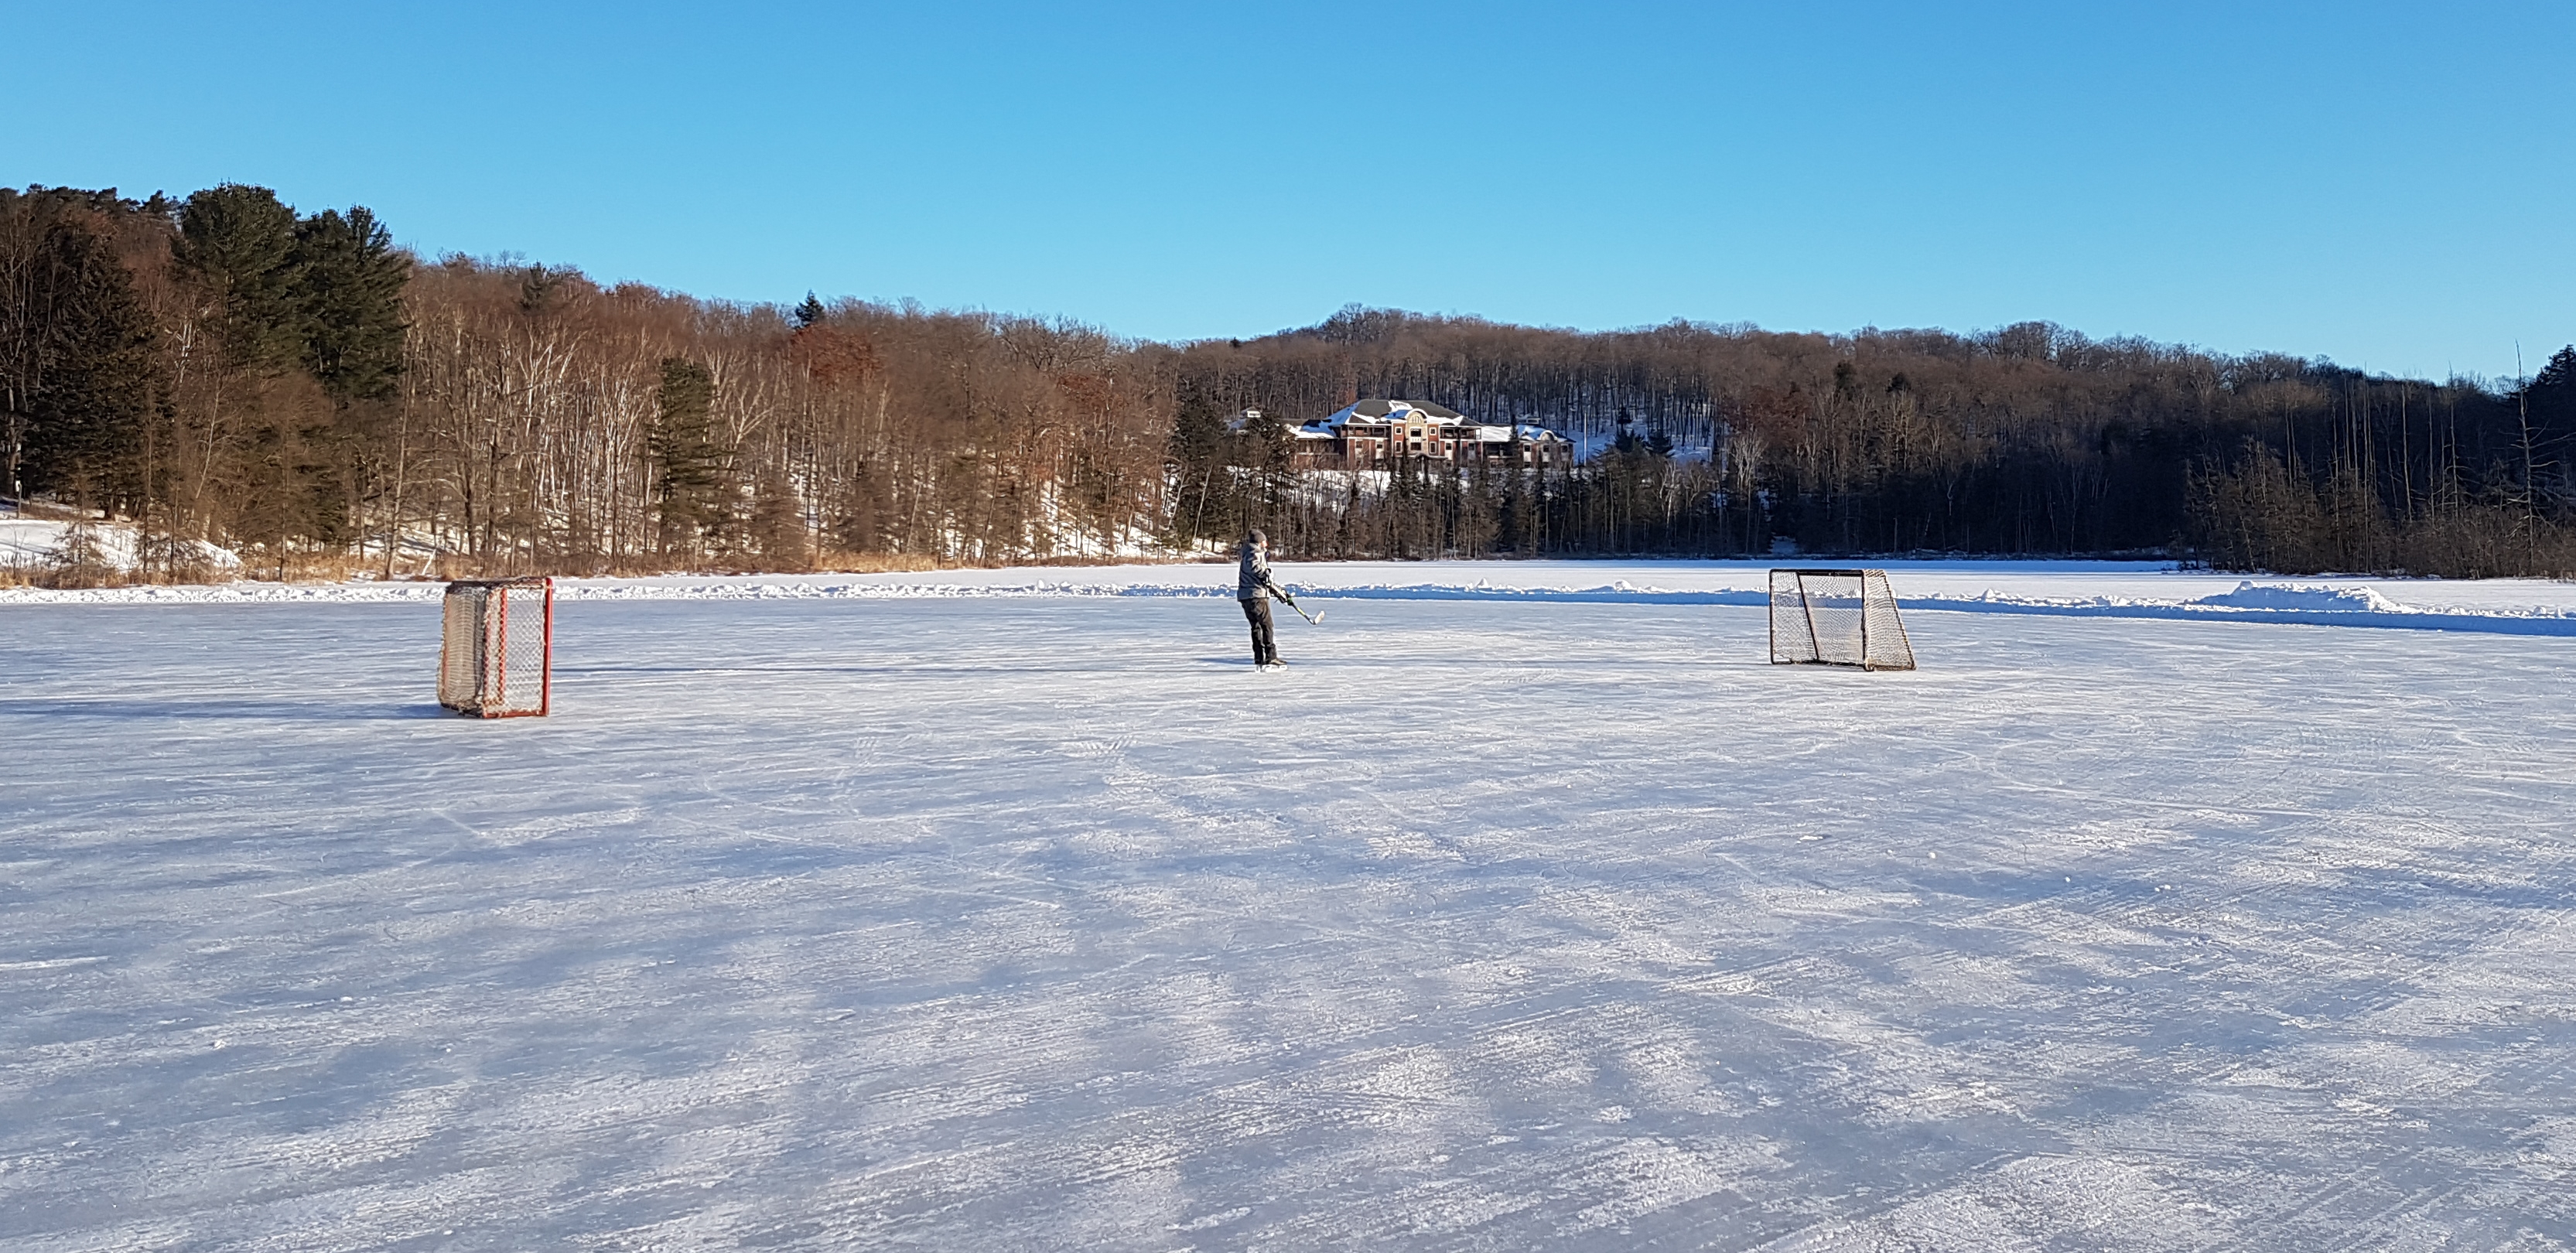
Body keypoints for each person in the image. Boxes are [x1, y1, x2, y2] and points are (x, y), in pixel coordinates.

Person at [1237, 528, 1294, 669]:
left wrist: (1279, 592)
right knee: (1266, 625)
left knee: (1256, 627)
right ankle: (1271, 657)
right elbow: (1258, 570)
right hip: (1256, 596)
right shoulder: (1254, 553)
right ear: (1259, 542)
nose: (1266, 544)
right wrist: (1268, 573)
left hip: (1246, 596)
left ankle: (1259, 657)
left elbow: (1262, 579)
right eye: (1264, 541)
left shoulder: (1248, 553)